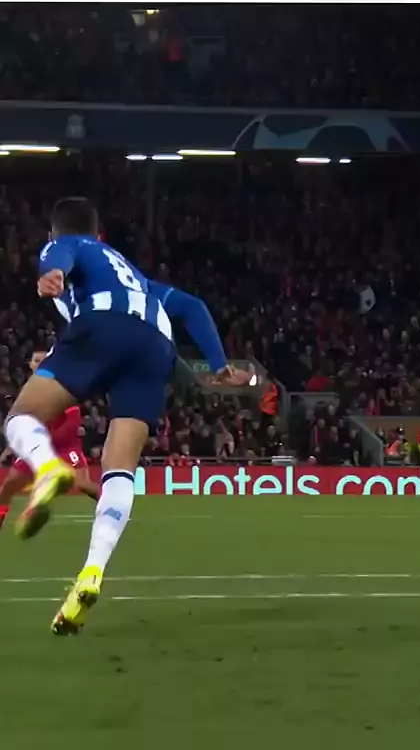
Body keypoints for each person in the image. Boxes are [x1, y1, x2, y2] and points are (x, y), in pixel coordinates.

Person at [3, 197, 249, 636]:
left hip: (103, 327)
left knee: (20, 420)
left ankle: (49, 468)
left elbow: (62, 255)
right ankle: (92, 571)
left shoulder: (67, 244)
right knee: (119, 468)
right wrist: (218, 364)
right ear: (101, 233)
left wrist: (51, 272)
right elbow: (192, 306)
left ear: (56, 232)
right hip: (156, 346)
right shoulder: (135, 277)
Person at [0, 349, 99, 529]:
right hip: (37, 445)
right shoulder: (27, 390)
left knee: (83, 485)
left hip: (65, 447)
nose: (39, 364)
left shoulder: (60, 386)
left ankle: (112, 506)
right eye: (36, 361)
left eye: (42, 360)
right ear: (30, 365)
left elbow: (72, 422)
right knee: (8, 487)